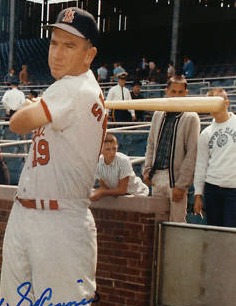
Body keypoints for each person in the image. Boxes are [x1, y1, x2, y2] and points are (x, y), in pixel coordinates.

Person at [0, 7, 132, 306]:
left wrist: (19, 102)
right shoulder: (70, 89)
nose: (57, 52)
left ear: (89, 54)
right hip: (25, 213)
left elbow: (20, 122)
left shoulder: (76, 89)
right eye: (54, 43)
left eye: (69, 45)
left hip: (61, 223)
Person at [143, 75, 200, 222]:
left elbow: (192, 154)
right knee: (157, 224)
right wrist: (147, 170)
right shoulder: (158, 114)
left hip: (175, 179)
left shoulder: (191, 117)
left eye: (181, 92)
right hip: (157, 176)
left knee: (177, 224)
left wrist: (181, 185)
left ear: (186, 93)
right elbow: (151, 144)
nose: (177, 95)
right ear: (166, 91)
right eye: (173, 91)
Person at [193, 89, 236, 227]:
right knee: (215, 232)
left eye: (216, 102)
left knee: (231, 233)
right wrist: (198, 195)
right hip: (212, 189)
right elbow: (201, 164)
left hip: (233, 189)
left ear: (227, 103)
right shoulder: (206, 133)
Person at [90, 134, 148, 201]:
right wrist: (98, 193)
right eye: (108, 149)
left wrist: (101, 192)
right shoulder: (98, 162)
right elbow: (103, 187)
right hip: (120, 196)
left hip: (137, 194)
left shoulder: (123, 160)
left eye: (114, 148)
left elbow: (122, 190)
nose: (112, 152)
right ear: (101, 150)